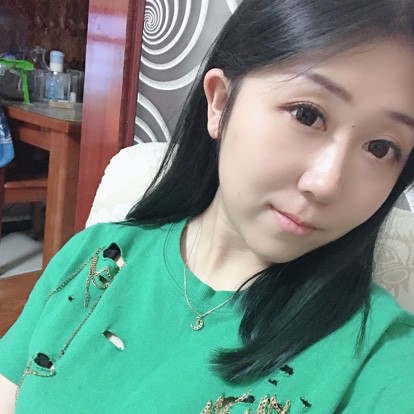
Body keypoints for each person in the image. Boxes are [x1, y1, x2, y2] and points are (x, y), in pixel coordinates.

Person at [1, 0, 414, 412]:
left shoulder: (380, 356)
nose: (325, 184)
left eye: (381, 148)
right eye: (307, 114)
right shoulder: (95, 258)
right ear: (219, 103)